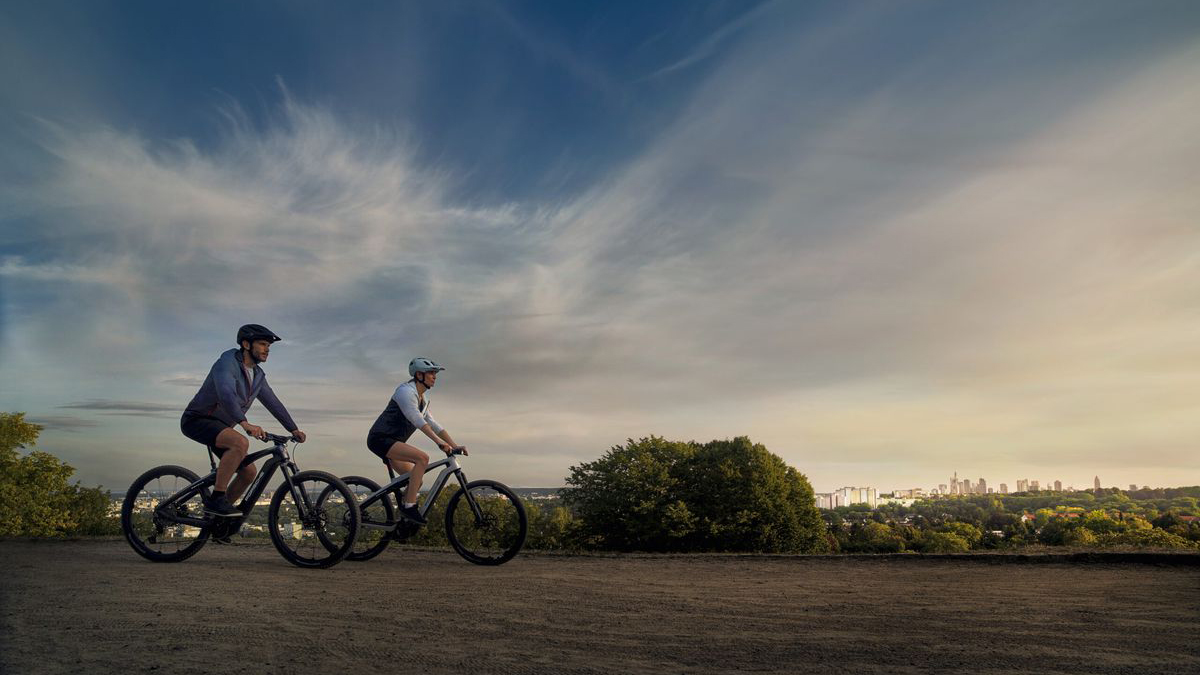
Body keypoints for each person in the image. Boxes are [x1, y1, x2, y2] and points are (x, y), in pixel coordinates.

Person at [180, 324, 307, 518]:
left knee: (248, 472)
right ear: (246, 344)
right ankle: (217, 499)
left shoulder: (258, 375)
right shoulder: (227, 362)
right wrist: (244, 422)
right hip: (197, 420)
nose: (267, 350)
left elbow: (272, 402)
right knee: (240, 441)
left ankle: (216, 521)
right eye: (263, 344)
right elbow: (225, 393)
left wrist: (293, 428)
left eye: (269, 346)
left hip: (221, 428)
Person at [366, 357, 465, 524]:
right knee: (422, 458)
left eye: (435, 373)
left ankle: (400, 521)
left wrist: (455, 446)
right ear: (419, 375)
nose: (435, 377)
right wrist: (439, 443)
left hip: (394, 443)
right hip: (380, 439)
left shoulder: (422, 400)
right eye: (431, 373)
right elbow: (418, 420)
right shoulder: (406, 392)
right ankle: (410, 507)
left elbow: (434, 425)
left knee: (415, 482)